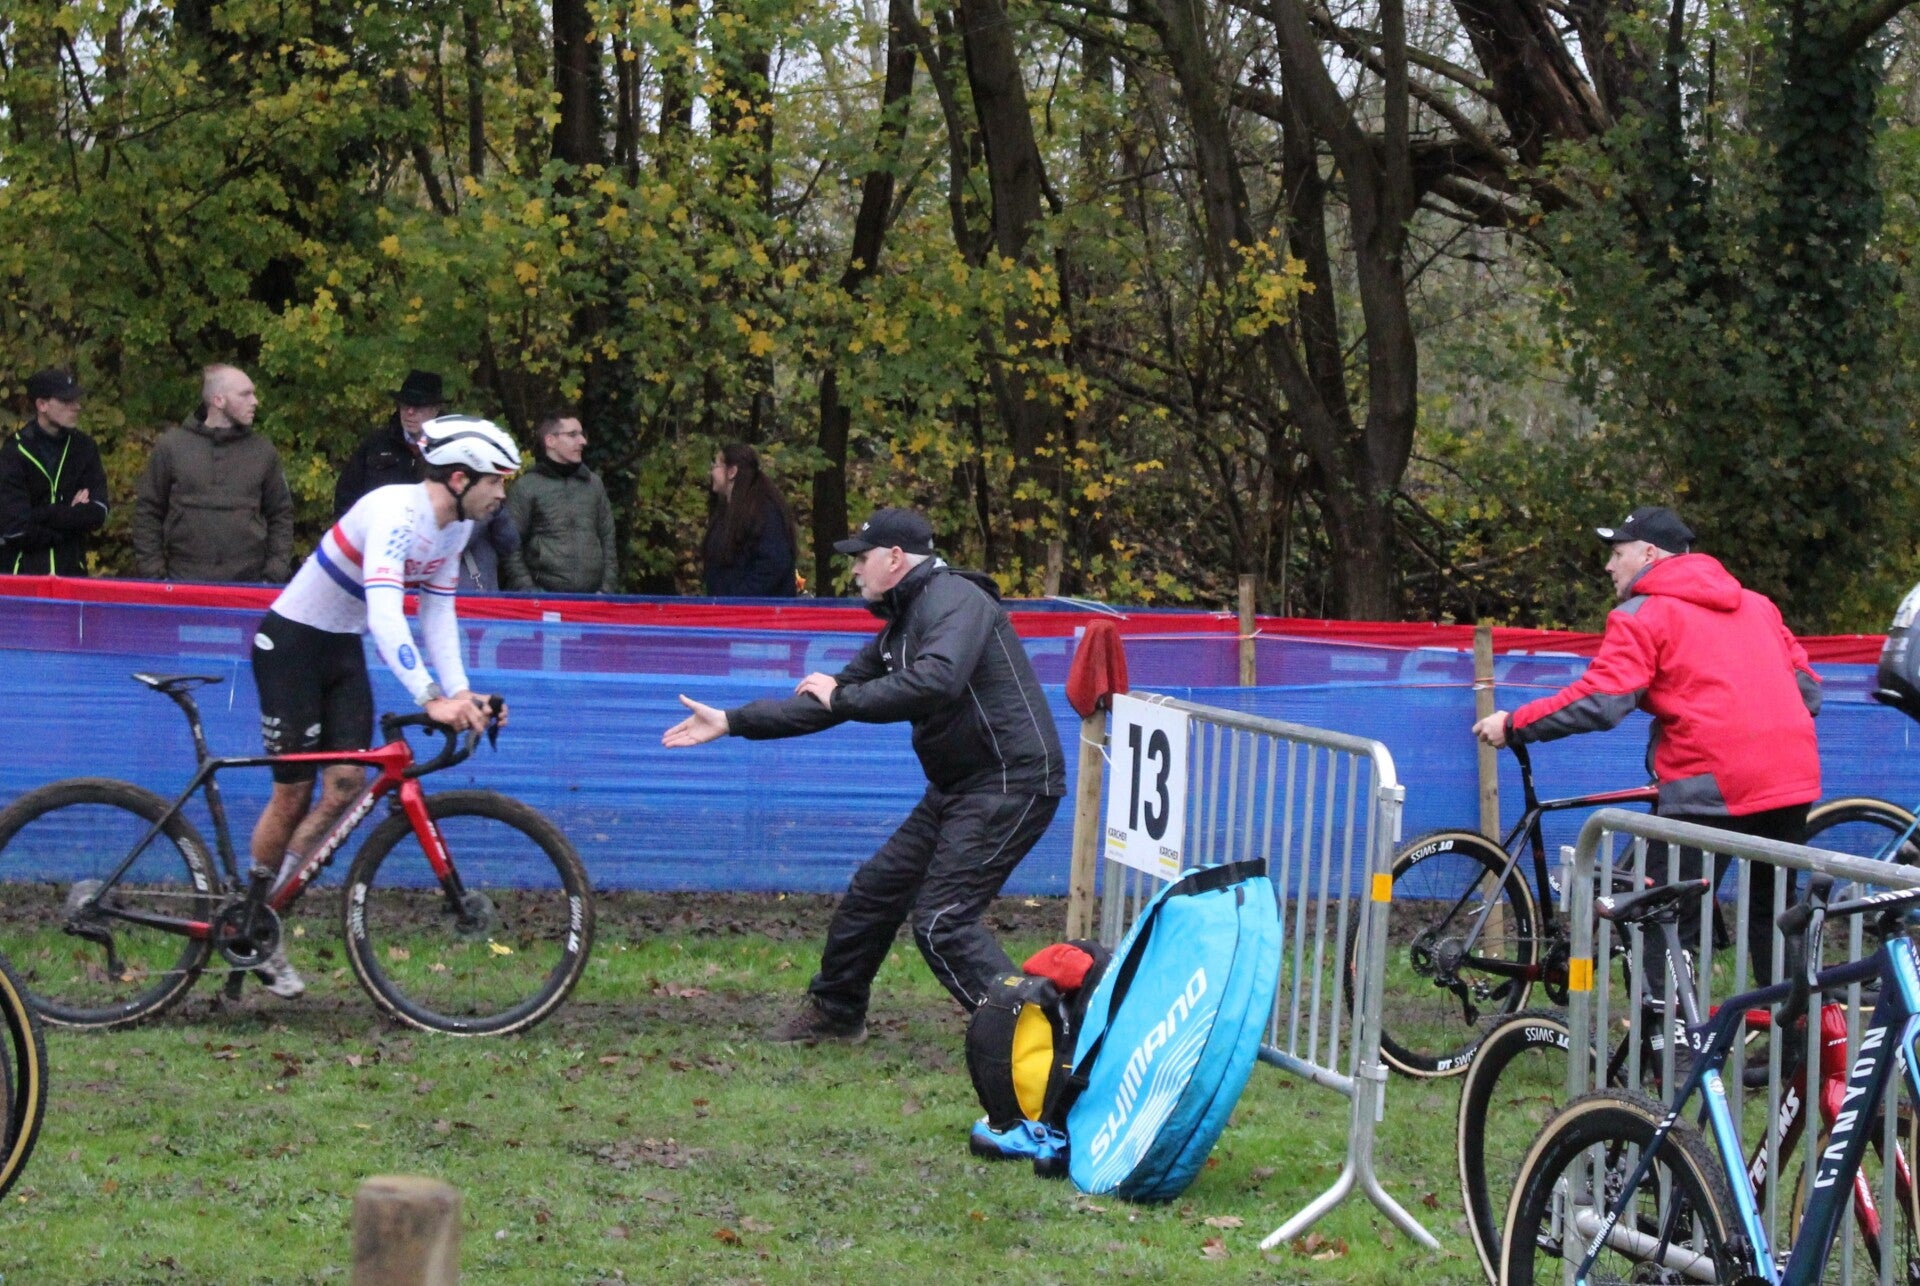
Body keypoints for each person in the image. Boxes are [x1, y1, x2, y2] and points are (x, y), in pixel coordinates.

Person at [663, 507, 1066, 1042]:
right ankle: (836, 1012)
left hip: (1010, 784)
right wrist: (732, 721)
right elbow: (830, 700)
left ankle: (1041, 1038)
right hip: (959, 787)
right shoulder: (903, 621)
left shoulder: (956, 599)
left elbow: (936, 681)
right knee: (875, 893)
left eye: (862, 557)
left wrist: (842, 697)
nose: (854, 569)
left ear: (895, 558)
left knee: (942, 922)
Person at [1473, 505, 1822, 980]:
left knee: (1660, 918)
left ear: (1650, 554)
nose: (1608, 566)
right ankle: (1790, 1026)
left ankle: (1666, 1027)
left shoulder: (1642, 614)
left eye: (1617, 553)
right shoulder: (1759, 605)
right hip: (1792, 779)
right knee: (1773, 912)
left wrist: (1515, 723)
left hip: (1710, 783)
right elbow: (1809, 691)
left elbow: (1603, 701)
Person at [245, 414, 520, 997]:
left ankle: (264, 921)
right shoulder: (395, 512)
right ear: (458, 478)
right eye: (496, 480)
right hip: (292, 645)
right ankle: (249, 906)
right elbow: (387, 613)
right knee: (293, 794)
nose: (502, 493)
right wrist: (429, 697)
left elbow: (438, 612)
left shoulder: (455, 528)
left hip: (340, 649)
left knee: (346, 786)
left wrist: (460, 691)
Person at [132, 364, 294, 583]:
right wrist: (155, 575)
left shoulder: (263, 451)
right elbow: (147, 511)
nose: (255, 401)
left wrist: (273, 574)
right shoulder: (172, 447)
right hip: (183, 582)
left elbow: (281, 515)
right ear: (218, 400)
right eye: (245, 394)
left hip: (249, 585)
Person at [0, 368, 110, 576]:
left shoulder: (84, 448)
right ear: (42, 405)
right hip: (23, 579)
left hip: (71, 576)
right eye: (66, 401)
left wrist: (43, 514)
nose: (76, 407)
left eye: (75, 400)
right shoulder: (15, 451)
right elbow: (15, 529)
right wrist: (69, 521)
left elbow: (98, 512)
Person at [508, 413, 618, 593]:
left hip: (593, 598)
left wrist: (606, 590)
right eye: (573, 434)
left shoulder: (594, 484)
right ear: (550, 441)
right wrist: (529, 591)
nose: (582, 441)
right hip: (544, 596)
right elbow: (511, 545)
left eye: (582, 434)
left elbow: (608, 540)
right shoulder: (526, 486)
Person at [333, 369, 443, 518]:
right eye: (405, 405)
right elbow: (346, 498)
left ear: (435, 410)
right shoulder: (375, 445)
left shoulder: (448, 451)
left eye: (418, 406)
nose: (410, 412)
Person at [702, 442, 798, 596]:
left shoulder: (764, 511)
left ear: (732, 472)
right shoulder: (725, 512)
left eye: (716, 465)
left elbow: (774, 563)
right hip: (725, 606)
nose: (711, 471)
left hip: (756, 608)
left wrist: (739, 599)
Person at [459, 505, 532, 592]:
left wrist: (499, 512)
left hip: (487, 591)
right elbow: (456, 546)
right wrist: (483, 515)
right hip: (457, 592)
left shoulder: (487, 505)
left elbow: (510, 546)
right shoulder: (448, 507)